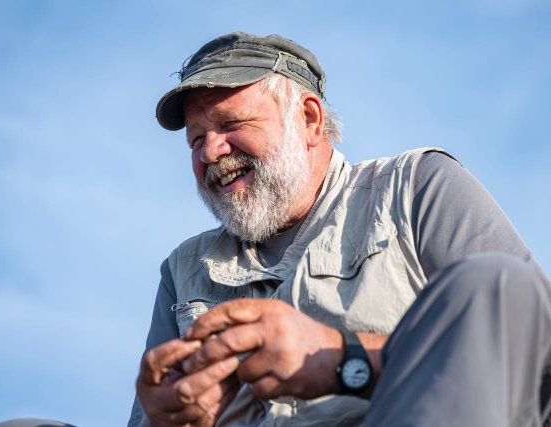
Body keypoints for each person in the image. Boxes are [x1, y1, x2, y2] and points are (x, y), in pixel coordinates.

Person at [129, 31, 551, 427]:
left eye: (230, 124)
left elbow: (535, 354)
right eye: (196, 140)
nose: (209, 151)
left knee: (494, 281)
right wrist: (167, 417)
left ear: (309, 119)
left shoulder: (415, 187)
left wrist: (340, 360)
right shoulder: (182, 272)